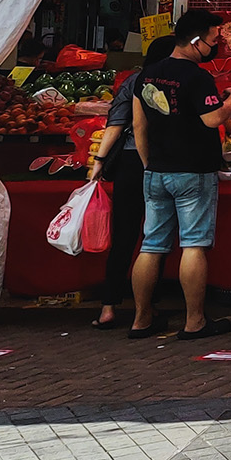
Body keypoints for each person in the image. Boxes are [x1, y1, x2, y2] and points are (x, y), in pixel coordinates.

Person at [128, 10, 231, 341]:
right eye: (214, 40)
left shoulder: (146, 76)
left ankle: (141, 319)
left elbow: (138, 126)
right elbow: (212, 119)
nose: (216, 45)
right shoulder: (197, 76)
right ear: (195, 41)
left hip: (156, 171)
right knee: (193, 244)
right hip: (192, 170)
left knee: (151, 245)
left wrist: (149, 164)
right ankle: (194, 322)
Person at [88, 38, 173, 329]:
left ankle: (108, 307)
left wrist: (99, 161)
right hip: (163, 161)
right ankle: (146, 308)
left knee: (124, 235)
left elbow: (115, 124)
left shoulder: (133, 81)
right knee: (156, 237)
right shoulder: (177, 80)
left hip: (128, 162)